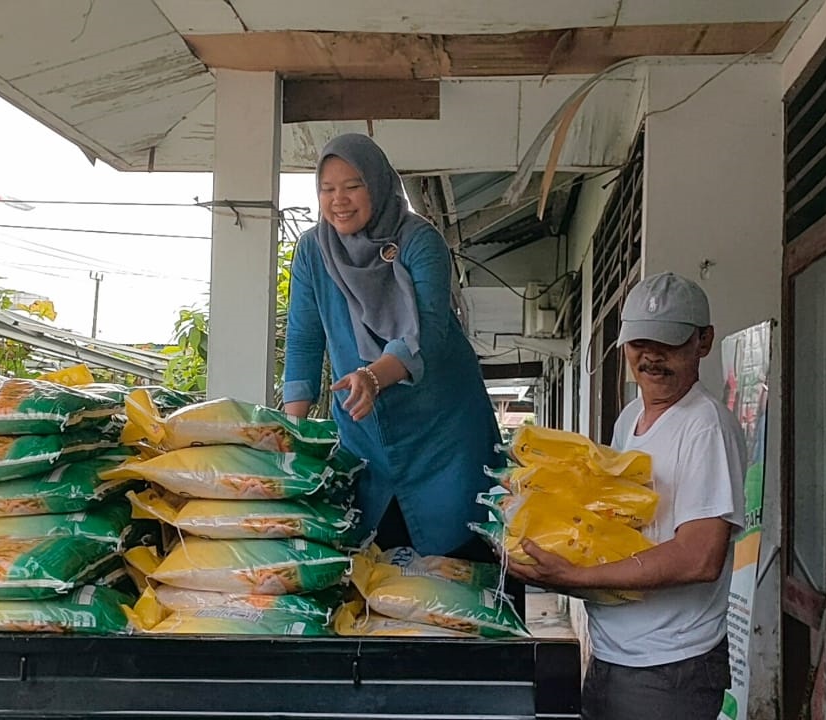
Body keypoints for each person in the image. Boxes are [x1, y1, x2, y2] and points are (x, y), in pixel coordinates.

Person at [507, 272, 745, 720]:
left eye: (669, 343)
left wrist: (576, 579)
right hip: (616, 654)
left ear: (704, 342)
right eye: (639, 343)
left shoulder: (704, 426)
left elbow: (700, 558)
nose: (651, 357)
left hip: (669, 668)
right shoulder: (632, 416)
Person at [282, 133, 502, 561]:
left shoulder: (419, 239)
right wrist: (291, 435)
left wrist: (371, 376)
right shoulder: (313, 250)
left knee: (463, 565)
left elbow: (429, 332)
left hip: (445, 433)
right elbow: (304, 337)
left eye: (353, 186)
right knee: (377, 574)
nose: (338, 200)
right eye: (327, 189)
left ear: (379, 185)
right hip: (366, 436)